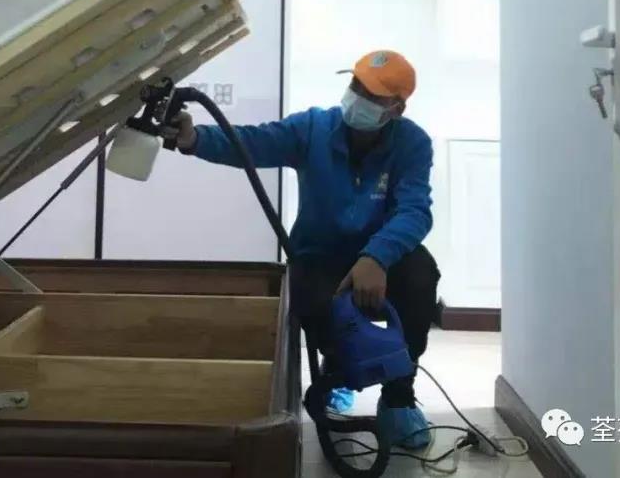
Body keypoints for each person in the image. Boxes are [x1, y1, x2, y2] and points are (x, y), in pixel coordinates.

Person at [166, 50, 440, 450]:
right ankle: (339, 372)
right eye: (356, 85)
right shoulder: (314, 128)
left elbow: (415, 210)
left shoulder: (412, 143)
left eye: (372, 94)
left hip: (380, 255)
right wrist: (194, 139)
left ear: (396, 109)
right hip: (320, 255)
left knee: (421, 277)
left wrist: (376, 256)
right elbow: (253, 142)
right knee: (312, 301)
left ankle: (398, 398)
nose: (358, 97)